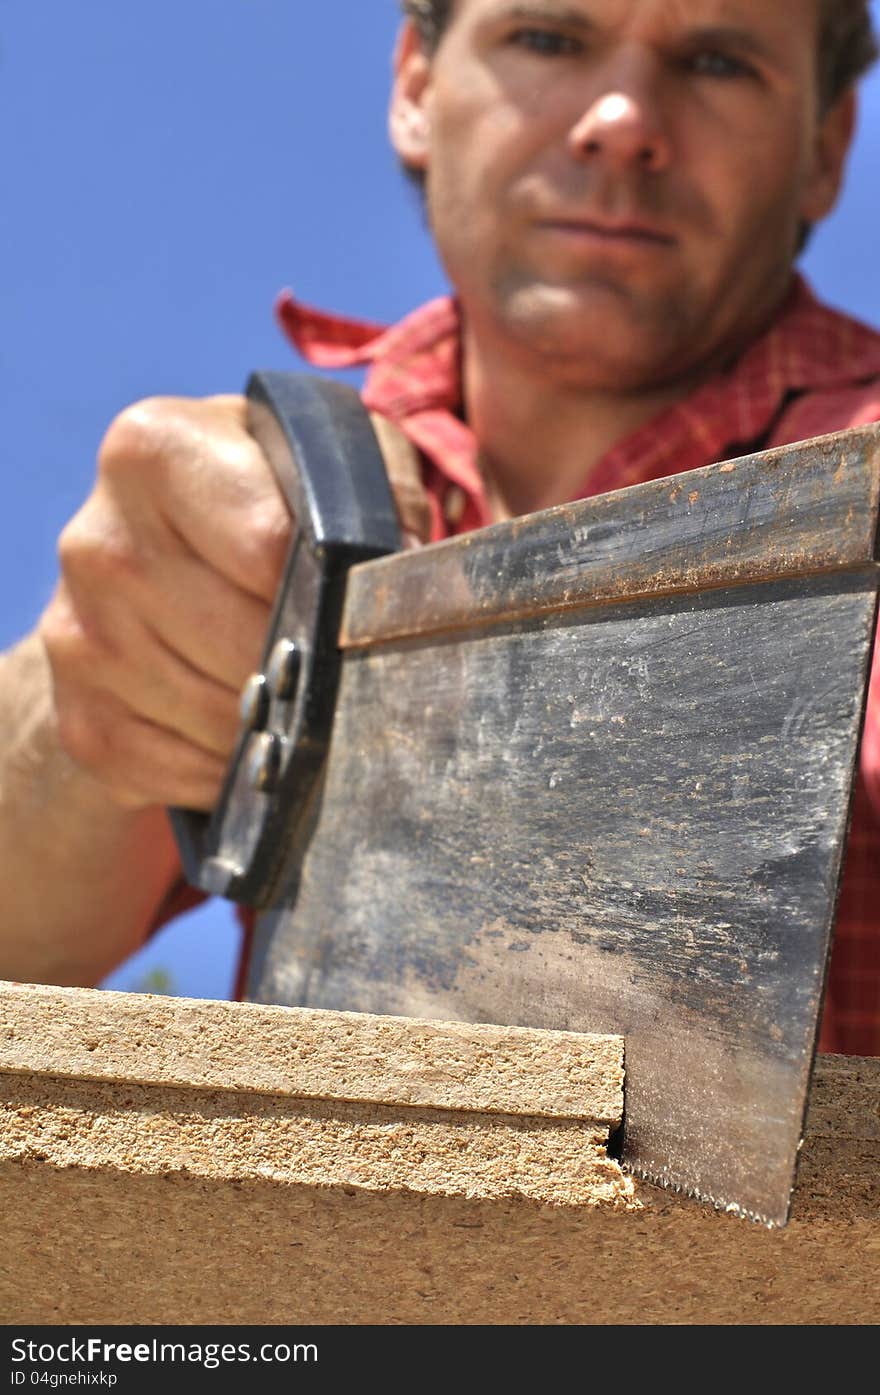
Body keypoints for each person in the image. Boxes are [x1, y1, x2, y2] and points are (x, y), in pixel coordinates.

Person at [1, 0, 878, 1052]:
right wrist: (81, 718)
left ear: (825, 147)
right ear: (416, 85)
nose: (621, 119)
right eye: (550, 40)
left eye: (718, 61)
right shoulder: (276, 499)